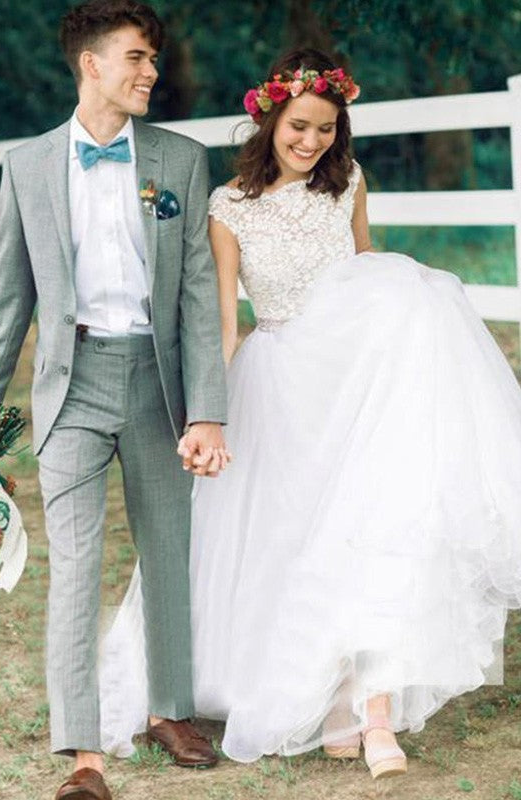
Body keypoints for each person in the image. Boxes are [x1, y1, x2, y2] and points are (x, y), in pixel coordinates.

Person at [99, 47, 521, 781]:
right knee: (300, 535)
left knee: (375, 523)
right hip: (285, 379)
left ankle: (373, 707)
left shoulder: (350, 181)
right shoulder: (228, 208)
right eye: (299, 126)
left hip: (362, 377)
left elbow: (366, 271)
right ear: (268, 121)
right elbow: (226, 323)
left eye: (326, 129)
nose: (311, 142)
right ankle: (330, 700)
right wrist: (206, 414)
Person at [0, 1, 229, 797]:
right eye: (138, 58)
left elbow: (197, 300)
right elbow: (8, 298)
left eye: (153, 59)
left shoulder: (180, 161)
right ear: (92, 64)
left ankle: (172, 710)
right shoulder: (30, 164)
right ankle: (83, 756)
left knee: (168, 549)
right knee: (75, 564)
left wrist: (207, 409)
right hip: (69, 389)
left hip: (157, 384)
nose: (152, 72)